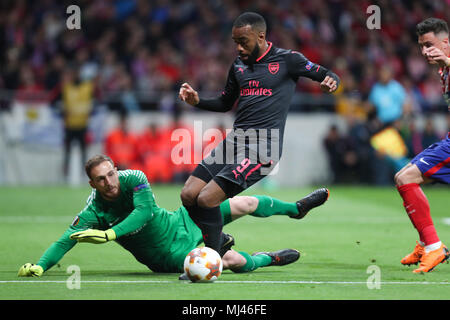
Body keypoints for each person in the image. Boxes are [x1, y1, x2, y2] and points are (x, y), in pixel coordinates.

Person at [178, 12, 338, 256]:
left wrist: (331, 82)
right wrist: (197, 100)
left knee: (207, 199)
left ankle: (212, 259)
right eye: (235, 42)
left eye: (244, 41)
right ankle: (219, 240)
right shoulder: (238, 66)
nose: (239, 47)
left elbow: (326, 73)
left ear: (261, 36)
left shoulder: (288, 60)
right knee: (188, 194)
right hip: (235, 141)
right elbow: (224, 102)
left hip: (263, 147)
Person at [17, 154, 329, 278]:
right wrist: (41, 266)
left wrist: (110, 234)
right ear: (92, 184)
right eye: (102, 179)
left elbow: (143, 213)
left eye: (111, 173)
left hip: (180, 220)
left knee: (243, 203)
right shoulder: (94, 211)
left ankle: (296, 209)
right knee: (230, 261)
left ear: (116, 169)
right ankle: (268, 259)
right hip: (170, 255)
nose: (110, 182)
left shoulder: (134, 178)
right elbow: (65, 240)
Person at [394, 17, 450, 273]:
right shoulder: (443, 69)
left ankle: (433, 245)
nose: (424, 51)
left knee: (406, 179)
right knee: (404, 177)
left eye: (429, 44)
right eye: (421, 46)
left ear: (446, 41)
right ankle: (427, 244)